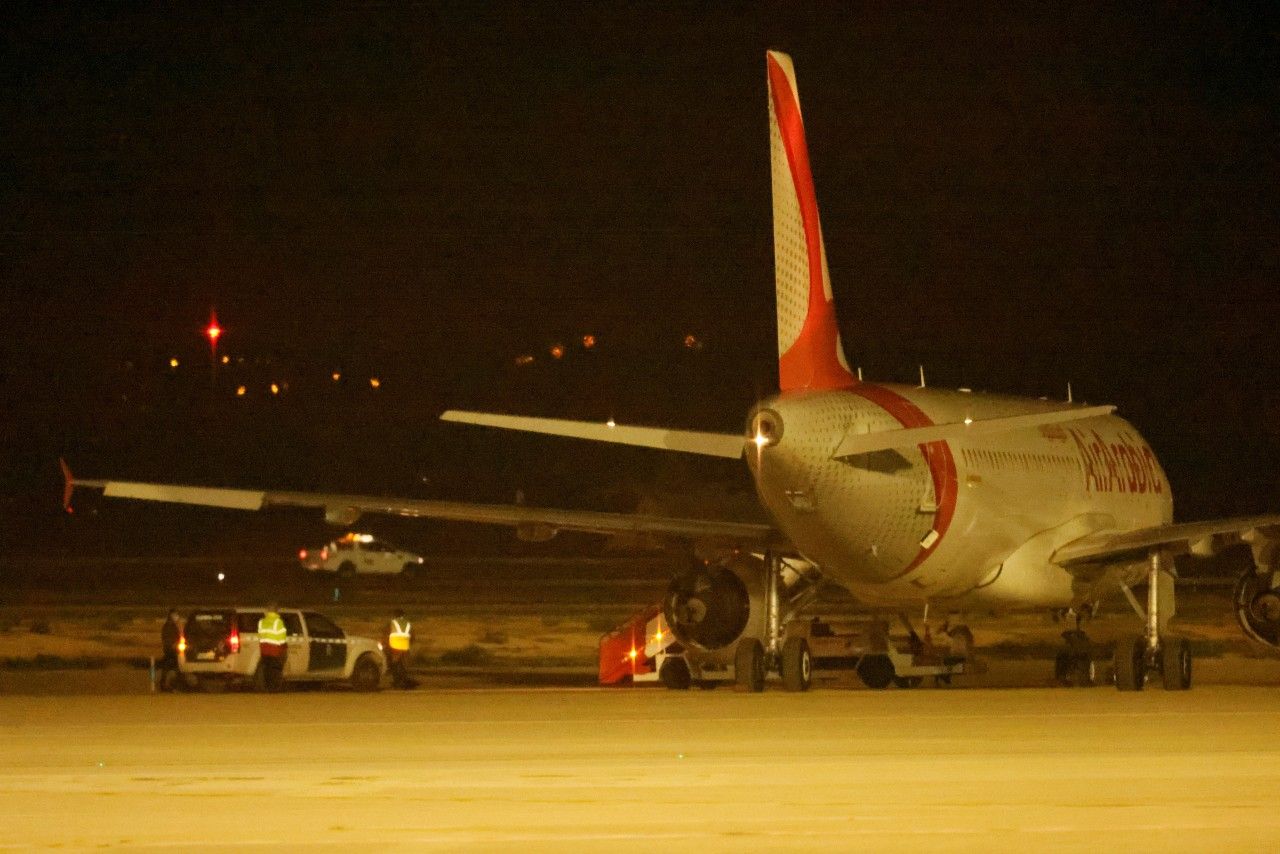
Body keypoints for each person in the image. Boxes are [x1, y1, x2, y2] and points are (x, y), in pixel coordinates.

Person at [257, 604, 288, 692]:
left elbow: (260, 635)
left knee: (266, 669)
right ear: (276, 611)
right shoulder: (278, 622)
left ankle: (267, 687)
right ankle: (274, 688)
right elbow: (282, 637)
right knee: (275, 670)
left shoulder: (262, 621)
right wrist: (283, 648)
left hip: (264, 649)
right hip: (275, 649)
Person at [385, 609, 417, 689]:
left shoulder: (392, 622)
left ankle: (397, 682)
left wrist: (387, 646)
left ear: (395, 615)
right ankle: (403, 681)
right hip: (405, 647)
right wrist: (408, 644)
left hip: (395, 646)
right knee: (404, 665)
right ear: (403, 615)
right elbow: (412, 636)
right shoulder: (408, 623)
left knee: (394, 664)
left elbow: (387, 634)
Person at [158, 608, 183, 692]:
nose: (177, 617)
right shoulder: (168, 626)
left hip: (172, 650)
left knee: (170, 668)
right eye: (175, 615)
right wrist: (173, 645)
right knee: (173, 668)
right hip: (170, 651)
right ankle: (168, 686)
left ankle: (168, 686)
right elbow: (168, 639)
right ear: (171, 616)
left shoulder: (173, 625)